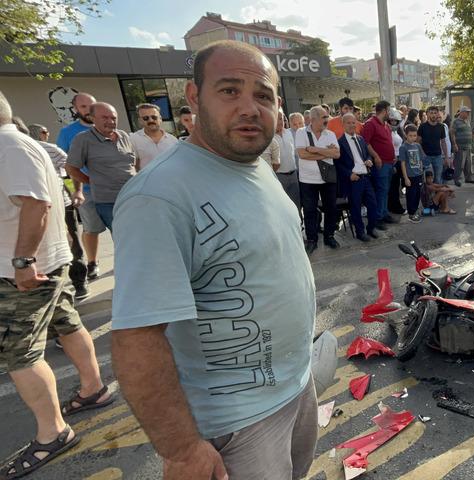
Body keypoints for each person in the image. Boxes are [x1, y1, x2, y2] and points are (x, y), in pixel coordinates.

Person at [110, 40, 318, 480]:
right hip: (237, 424)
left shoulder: (253, 164)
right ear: (194, 97)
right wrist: (183, 450)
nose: (249, 108)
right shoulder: (158, 195)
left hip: (297, 388)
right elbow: (137, 338)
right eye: (229, 90)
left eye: (263, 95)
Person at [0, 90, 113, 480]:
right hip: (46, 262)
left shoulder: (9, 147)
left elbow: (37, 205)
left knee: (19, 351)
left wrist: (23, 262)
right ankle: (93, 388)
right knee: (66, 323)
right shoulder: (20, 144)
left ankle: (52, 433)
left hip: (24, 271)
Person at [26, 123, 89, 298]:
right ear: (42, 134)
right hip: (57, 206)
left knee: (62, 243)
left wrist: (76, 191)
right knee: (71, 242)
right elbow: (73, 169)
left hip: (53, 205)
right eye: (46, 131)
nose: (48, 134)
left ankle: (70, 283)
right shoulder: (49, 149)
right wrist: (78, 191)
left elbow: (70, 169)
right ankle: (77, 283)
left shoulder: (47, 150)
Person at [65, 102, 136, 231]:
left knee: (142, 232)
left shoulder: (123, 136)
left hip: (134, 196)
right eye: (105, 117)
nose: (111, 121)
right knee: (124, 234)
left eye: (113, 118)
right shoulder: (83, 139)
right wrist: (91, 181)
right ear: (92, 118)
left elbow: (132, 163)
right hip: (109, 202)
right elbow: (71, 168)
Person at [56, 92, 102, 281]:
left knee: (122, 227)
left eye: (92, 105)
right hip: (87, 191)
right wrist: (76, 190)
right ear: (75, 109)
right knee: (91, 229)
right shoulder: (67, 133)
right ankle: (92, 262)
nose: (89, 110)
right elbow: (64, 165)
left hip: (112, 188)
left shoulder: (107, 126)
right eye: (83, 107)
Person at [296, 105, 341, 253]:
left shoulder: (330, 134)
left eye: (327, 116)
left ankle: (329, 236)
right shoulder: (301, 132)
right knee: (309, 210)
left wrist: (315, 150)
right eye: (324, 117)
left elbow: (337, 154)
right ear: (313, 119)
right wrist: (327, 152)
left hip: (328, 179)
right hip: (308, 180)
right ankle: (311, 240)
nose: (327, 120)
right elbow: (302, 154)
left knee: (331, 208)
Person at [336, 113, 381, 242]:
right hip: (353, 180)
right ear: (343, 125)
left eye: (353, 122)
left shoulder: (361, 139)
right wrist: (349, 174)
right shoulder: (340, 142)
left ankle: (371, 228)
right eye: (348, 123)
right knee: (355, 207)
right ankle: (360, 232)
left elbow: (366, 154)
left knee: (373, 204)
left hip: (365, 177)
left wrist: (369, 160)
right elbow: (338, 164)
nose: (352, 125)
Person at [361, 100, 397, 224]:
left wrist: (393, 156)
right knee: (381, 190)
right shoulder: (370, 123)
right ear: (384, 110)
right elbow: (365, 142)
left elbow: (388, 142)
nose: (390, 113)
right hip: (380, 164)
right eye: (389, 110)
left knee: (385, 190)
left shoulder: (385, 124)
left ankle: (384, 213)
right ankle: (378, 218)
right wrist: (376, 157)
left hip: (389, 162)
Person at [130, 103, 179, 171]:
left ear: (160, 119)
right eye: (145, 118)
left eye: (154, 117)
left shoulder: (173, 140)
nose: (151, 120)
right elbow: (133, 166)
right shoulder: (133, 139)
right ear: (140, 121)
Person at [399, 124, 425, 223]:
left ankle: (414, 211)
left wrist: (421, 170)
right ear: (406, 135)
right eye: (410, 135)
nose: (413, 138)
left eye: (415, 135)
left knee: (417, 194)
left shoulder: (418, 145)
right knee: (411, 195)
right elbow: (403, 163)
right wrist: (405, 178)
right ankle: (411, 214)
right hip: (410, 176)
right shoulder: (403, 147)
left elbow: (420, 159)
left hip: (418, 175)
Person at [275, 110, 300, 207]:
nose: (280, 121)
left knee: (296, 204)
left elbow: (295, 153)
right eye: (277, 119)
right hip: (279, 176)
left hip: (293, 175)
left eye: (281, 118)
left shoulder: (289, 133)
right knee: (282, 206)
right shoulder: (269, 137)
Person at [418, 106, 447, 184]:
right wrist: (422, 154)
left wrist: (446, 157)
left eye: (435, 113)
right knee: (427, 181)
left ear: (437, 114)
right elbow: (418, 142)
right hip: (425, 156)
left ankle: (437, 192)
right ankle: (427, 192)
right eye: (431, 113)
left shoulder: (441, 127)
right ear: (428, 114)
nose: (433, 115)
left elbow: (443, 142)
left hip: (438, 156)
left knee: (438, 179)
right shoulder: (422, 126)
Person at [386, 109, 406, 216]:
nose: (393, 122)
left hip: (398, 160)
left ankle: (394, 206)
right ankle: (395, 207)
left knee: (396, 185)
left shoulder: (396, 131)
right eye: (391, 120)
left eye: (395, 120)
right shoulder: (387, 130)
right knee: (393, 186)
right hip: (392, 160)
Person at [451, 106, 474, 186]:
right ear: (461, 112)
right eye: (467, 112)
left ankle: (468, 178)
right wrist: (454, 144)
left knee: (468, 164)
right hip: (460, 146)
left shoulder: (467, 121)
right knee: (459, 163)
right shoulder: (456, 121)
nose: (468, 114)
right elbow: (452, 133)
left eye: (469, 112)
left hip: (468, 146)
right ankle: (456, 179)